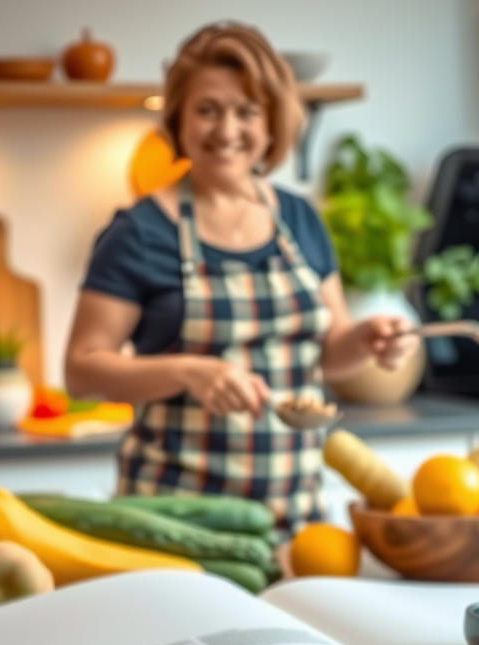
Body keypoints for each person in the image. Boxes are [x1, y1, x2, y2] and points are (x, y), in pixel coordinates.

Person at [64, 22, 418, 530]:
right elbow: (81, 369)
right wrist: (188, 372)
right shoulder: (139, 231)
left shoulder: (299, 220)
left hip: (295, 517)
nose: (227, 131)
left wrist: (365, 339)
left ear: (271, 121)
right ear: (179, 118)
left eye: (246, 112)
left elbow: (329, 351)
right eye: (207, 110)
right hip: (174, 520)